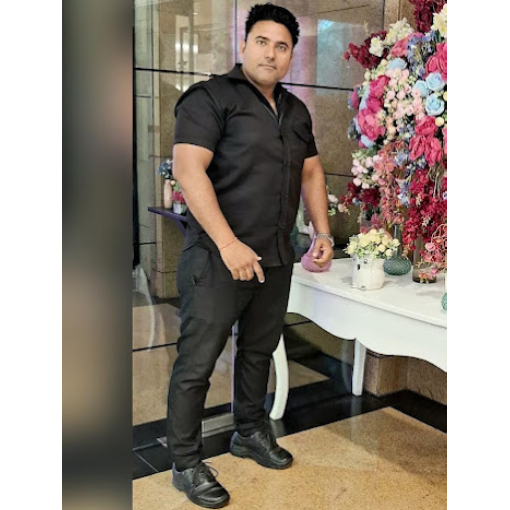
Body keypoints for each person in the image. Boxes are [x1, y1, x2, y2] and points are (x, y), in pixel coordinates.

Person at [167, 3, 334, 508]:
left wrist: (322, 231)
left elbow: (311, 172)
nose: (271, 53)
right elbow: (188, 170)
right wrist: (228, 243)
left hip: (275, 256)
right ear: (244, 45)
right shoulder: (210, 98)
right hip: (217, 257)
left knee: (258, 351)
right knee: (197, 364)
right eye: (262, 41)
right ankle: (186, 462)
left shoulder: (296, 111)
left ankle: (249, 431)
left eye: (282, 46)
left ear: (290, 56)